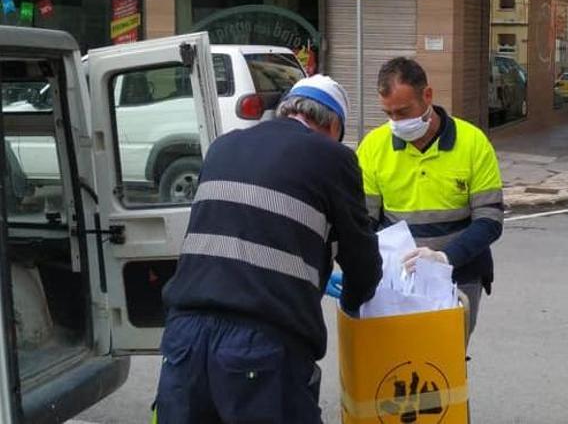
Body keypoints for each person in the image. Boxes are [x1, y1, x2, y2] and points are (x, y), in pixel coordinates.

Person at [154, 74, 382, 423]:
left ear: (286, 110)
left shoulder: (223, 146)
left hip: (183, 340)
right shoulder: (332, 157)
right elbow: (362, 260)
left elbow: (252, 229)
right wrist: (354, 300)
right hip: (259, 347)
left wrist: (317, 275)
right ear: (334, 125)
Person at [357, 57, 503, 338]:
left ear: (427, 95)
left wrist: (443, 257)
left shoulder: (472, 143)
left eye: (403, 111)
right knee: (396, 367)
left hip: (459, 275)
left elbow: (490, 220)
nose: (397, 122)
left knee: (442, 368)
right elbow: (363, 220)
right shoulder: (373, 147)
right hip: (395, 282)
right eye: (389, 114)